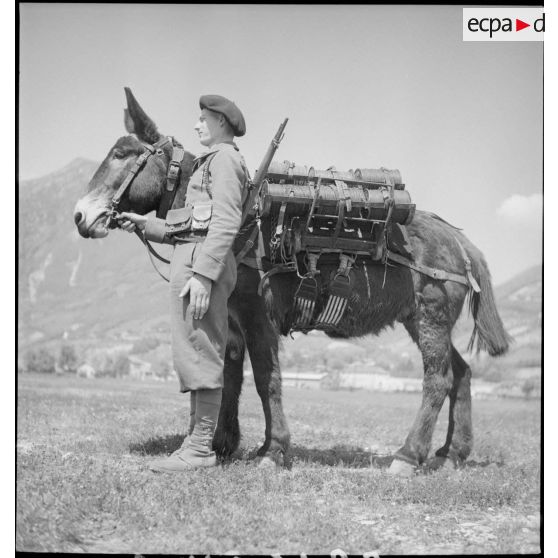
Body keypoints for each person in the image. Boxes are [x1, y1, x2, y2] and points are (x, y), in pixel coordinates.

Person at [119, 94, 249, 472]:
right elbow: (194, 223)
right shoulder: (212, 162)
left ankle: (200, 450)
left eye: (202, 119)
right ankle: (195, 442)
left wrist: (204, 277)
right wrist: (148, 225)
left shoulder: (225, 161)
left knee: (203, 352)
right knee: (193, 353)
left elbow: (225, 221)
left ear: (221, 123)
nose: (196, 125)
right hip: (192, 265)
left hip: (200, 271)